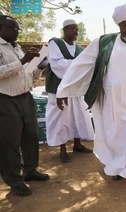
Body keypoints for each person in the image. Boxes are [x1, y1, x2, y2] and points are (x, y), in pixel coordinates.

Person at [55, 4, 126, 206]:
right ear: (119, 24)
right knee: (116, 140)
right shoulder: (103, 43)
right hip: (110, 105)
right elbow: (81, 65)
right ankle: (121, 169)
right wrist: (63, 90)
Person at [0, 15, 49, 196]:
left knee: (31, 136)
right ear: (1, 27)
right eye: (12, 27)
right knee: (9, 142)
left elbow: (27, 74)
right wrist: (22, 61)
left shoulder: (17, 47)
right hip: (5, 100)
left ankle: (30, 171)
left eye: (17, 28)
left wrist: (40, 65)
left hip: (25, 97)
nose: (17, 31)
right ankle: (14, 180)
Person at [45, 19, 94, 163]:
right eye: (72, 29)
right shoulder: (55, 43)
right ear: (64, 30)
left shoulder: (79, 48)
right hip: (59, 90)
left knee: (78, 116)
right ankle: (62, 149)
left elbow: (85, 67)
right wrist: (77, 65)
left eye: (77, 29)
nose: (75, 32)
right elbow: (57, 64)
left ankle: (77, 144)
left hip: (76, 90)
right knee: (61, 119)